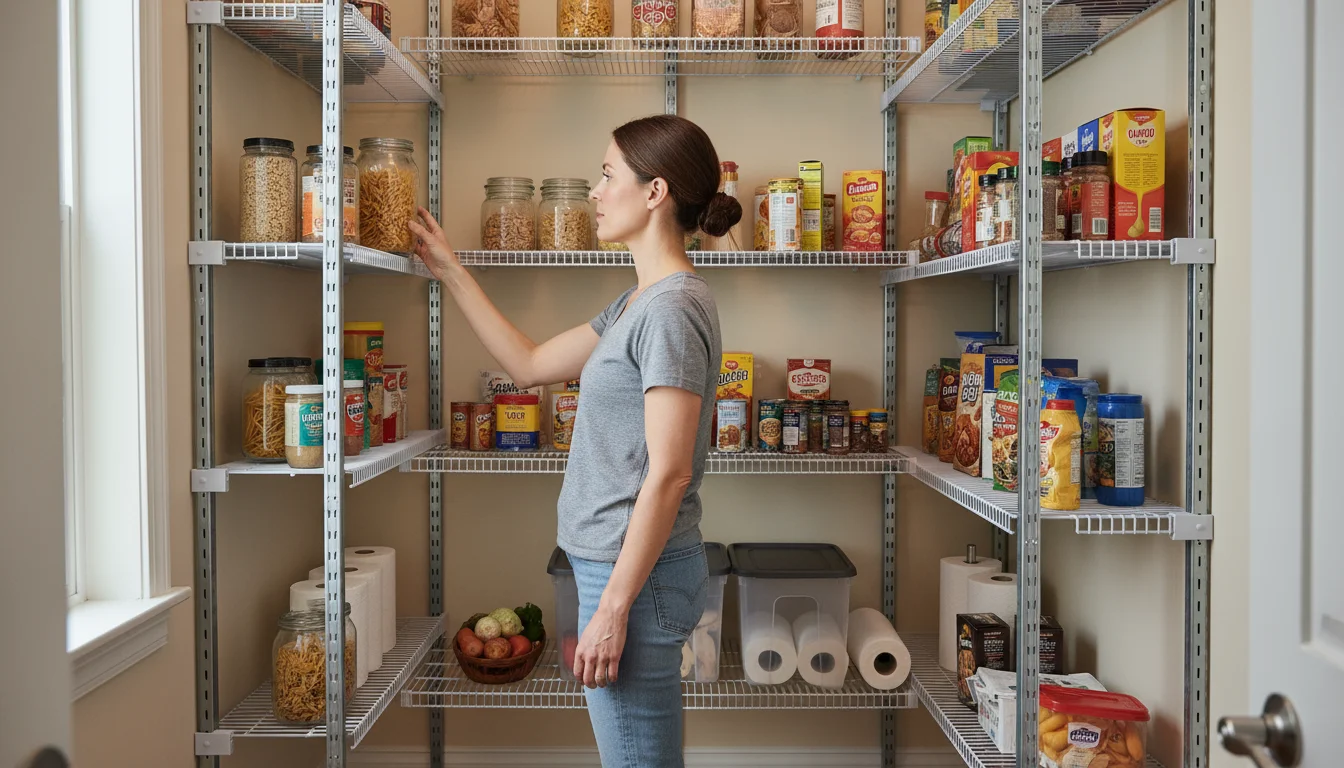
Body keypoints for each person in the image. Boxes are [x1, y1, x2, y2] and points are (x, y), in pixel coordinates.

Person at [408, 114, 742, 767]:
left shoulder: (671, 309)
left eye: (608, 173)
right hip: (618, 569)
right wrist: (449, 270)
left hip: (634, 579)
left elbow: (670, 473)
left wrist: (614, 607)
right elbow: (530, 364)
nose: (594, 189)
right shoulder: (635, 304)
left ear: (655, 193)